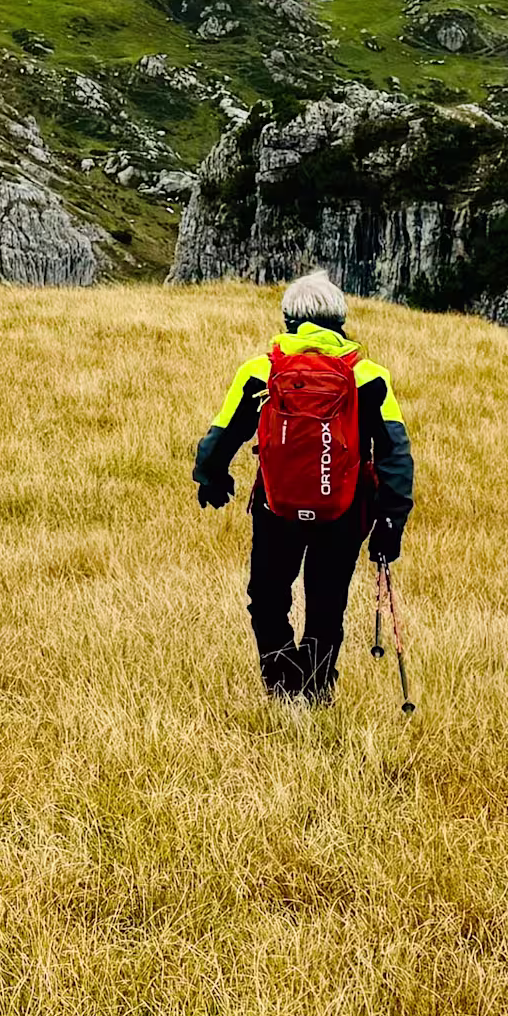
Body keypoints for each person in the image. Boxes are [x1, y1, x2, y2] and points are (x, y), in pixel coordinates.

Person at [194, 268, 416, 702]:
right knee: (327, 601)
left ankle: (280, 683)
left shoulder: (261, 370)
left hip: (277, 508)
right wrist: (392, 520)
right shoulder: (369, 376)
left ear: (288, 320)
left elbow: (222, 434)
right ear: (340, 321)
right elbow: (395, 452)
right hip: (345, 511)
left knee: (268, 595)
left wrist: (211, 477)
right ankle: (314, 692)